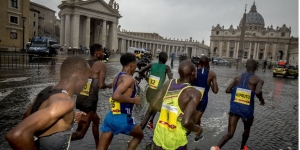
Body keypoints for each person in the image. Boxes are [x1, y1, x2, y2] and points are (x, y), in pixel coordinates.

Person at [5, 56, 91, 150]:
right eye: (87, 78)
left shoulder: (47, 91)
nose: (87, 83)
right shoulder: (65, 103)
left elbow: (27, 119)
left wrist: (70, 117)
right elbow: (17, 135)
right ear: (78, 75)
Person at [210, 59, 265, 150]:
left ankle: (216, 147)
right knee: (246, 129)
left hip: (235, 107)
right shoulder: (258, 79)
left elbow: (228, 90)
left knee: (230, 133)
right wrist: (262, 100)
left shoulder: (238, 77)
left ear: (245, 66)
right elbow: (258, 91)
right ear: (256, 68)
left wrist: (238, 92)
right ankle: (242, 147)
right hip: (247, 109)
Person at [151, 60, 202, 150]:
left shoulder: (168, 83)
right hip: (175, 140)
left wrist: (169, 110)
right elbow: (186, 122)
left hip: (159, 135)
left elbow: (154, 104)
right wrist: (198, 129)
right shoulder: (194, 93)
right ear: (193, 73)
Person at [98, 53, 143, 150]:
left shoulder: (118, 75)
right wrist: (133, 100)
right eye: (135, 64)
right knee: (140, 135)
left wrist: (131, 83)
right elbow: (115, 96)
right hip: (123, 119)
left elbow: (114, 85)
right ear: (131, 64)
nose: (136, 67)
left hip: (111, 117)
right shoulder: (128, 79)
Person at [71, 44, 112, 147]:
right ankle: (51, 140)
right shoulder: (101, 65)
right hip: (89, 101)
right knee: (79, 134)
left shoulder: (84, 63)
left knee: (96, 120)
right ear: (96, 53)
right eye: (102, 51)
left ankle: (98, 145)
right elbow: (101, 85)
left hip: (81, 98)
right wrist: (109, 85)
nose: (104, 53)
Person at [139, 51, 173, 130]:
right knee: (153, 111)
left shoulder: (152, 65)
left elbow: (140, 71)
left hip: (149, 91)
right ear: (166, 59)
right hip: (158, 94)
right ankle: (138, 134)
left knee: (154, 107)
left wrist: (147, 79)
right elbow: (171, 80)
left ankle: (151, 122)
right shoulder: (166, 67)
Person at [192, 56, 219, 142]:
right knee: (195, 121)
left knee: (196, 118)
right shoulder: (211, 74)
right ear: (208, 64)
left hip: (193, 98)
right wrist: (210, 83)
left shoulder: (194, 71)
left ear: (199, 63)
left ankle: (198, 135)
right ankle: (184, 134)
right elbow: (215, 90)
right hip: (203, 100)